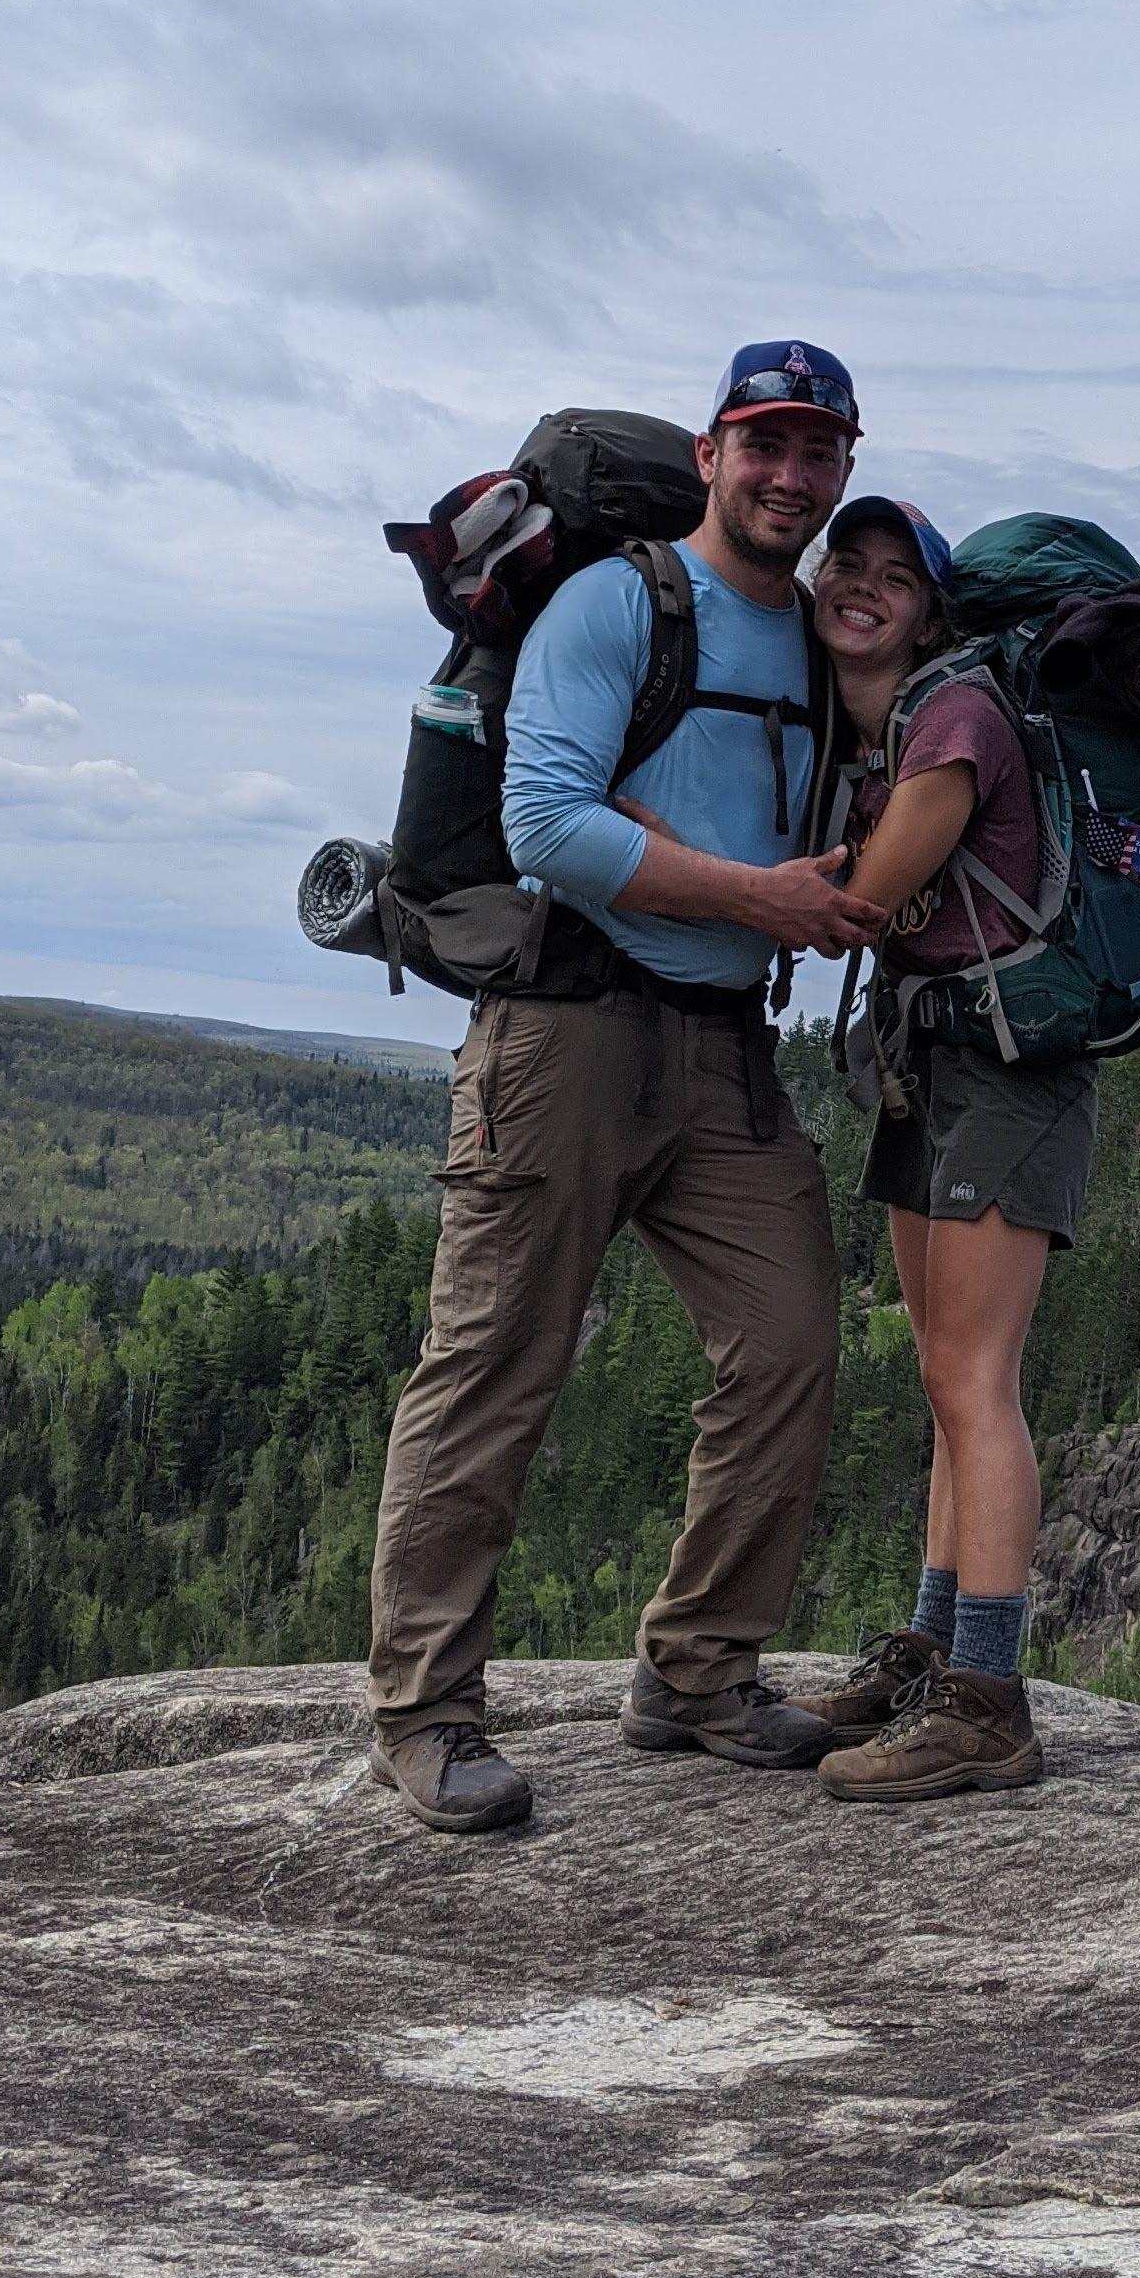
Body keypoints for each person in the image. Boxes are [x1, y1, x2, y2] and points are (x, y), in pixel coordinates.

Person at [363, 340, 886, 1836]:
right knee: (494, 1365)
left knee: (788, 1342)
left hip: (724, 1049)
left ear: (844, 469)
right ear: (713, 454)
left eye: (819, 451)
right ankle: (425, 1714)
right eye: (765, 444)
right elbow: (545, 827)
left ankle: (699, 1671)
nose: (790, 475)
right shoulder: (618, 600)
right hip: (565, 1033)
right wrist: (758, 899)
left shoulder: (819, 643)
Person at [793, 493, 1093, 1803]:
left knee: (977, 1381)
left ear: (930, 614)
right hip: (936, 1061)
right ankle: (930, 1657)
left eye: (893, 576)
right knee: (942, 1380)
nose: (861, 586)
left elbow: (862, 901)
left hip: (1009, 1072)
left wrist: (682, 869)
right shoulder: (885, 735)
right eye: (844, 563)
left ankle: (988, 1702)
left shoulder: (956, 716)